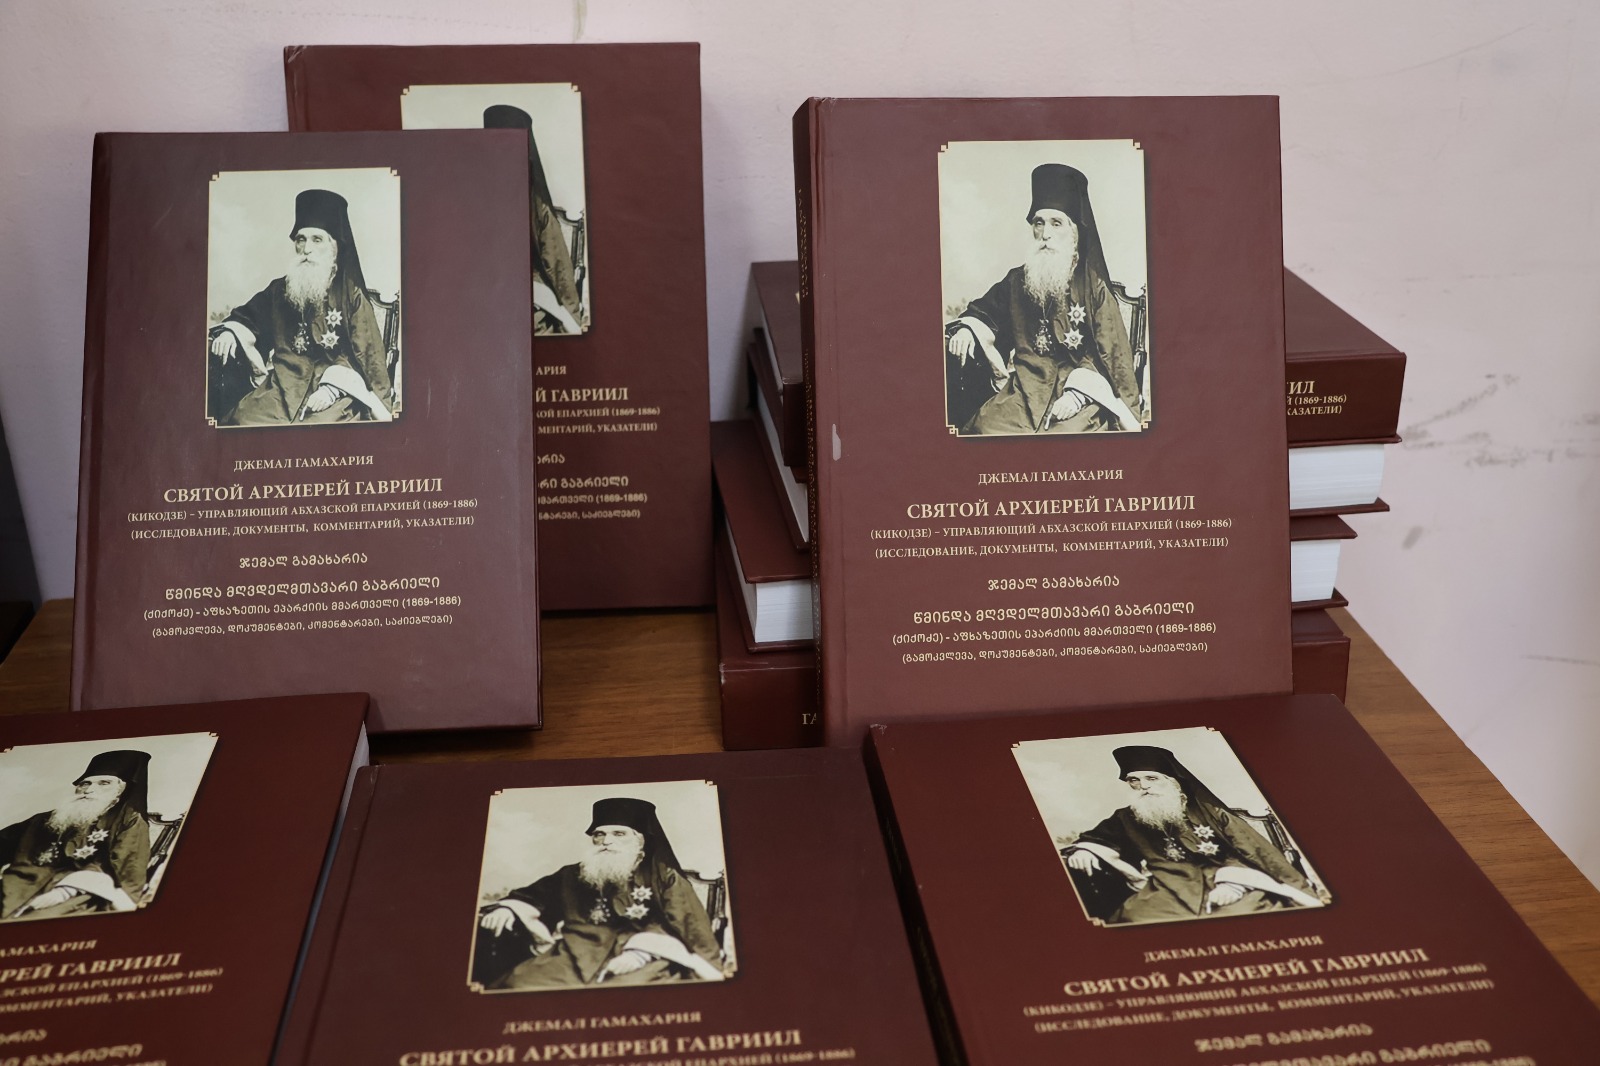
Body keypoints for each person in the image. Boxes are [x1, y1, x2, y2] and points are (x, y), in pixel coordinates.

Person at [946, 163, 1144, 435]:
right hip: (1024, 392)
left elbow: (1111, 355)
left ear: (1073, 232)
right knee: (985, 429)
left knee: (1065, 440)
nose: (1046, 233)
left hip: (1078, 395)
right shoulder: (1017, 281)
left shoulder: (1094, 288)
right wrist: (968, 329)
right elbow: (985, 312)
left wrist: (1078, 395)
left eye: (1056, 223)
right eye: (1039, 223)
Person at [475, 797, 726, 989]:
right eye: (599, 834)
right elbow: (533, 896)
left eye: (619, 834)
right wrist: (508, 908)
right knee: (520, 984)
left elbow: (687, 926)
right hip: (576, 953)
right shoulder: (573, 874)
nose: (606, 841)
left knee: (626, 996)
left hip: (642, 956)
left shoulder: (664, 877)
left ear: (640, 841)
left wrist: (640, 952)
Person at [1062, 745, 1325, 924]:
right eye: (1134, 780)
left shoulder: (1213, 813)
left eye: (1151, 779)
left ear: (1172, 781)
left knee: (1246, 917)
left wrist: (1233, 885)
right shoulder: (1127, 816)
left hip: (1229, 883)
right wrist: (1086, 849)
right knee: (1137, 919)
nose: (1143, 787)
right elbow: (1099, 838)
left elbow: (1252, 852)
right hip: (1167, 887)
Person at [208, 188, 395, 426]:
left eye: (317, 239)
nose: (306, 249)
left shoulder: (352, 296)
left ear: (335, 248)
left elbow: (365, 357)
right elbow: (249, 318)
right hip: (282, 388)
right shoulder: (279, 290)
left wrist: (332, 388)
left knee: (320, 432)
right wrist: (231, 332)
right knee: (243, 421)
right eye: (301, 239)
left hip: (335, 393)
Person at [0, 750, 151, 921]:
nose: (89, 790)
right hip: (19, 885)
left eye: (104, 783)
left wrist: (67, 890)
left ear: (120, 790)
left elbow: (126, 871)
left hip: (79, 892)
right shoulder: (46, 819)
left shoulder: (129, 821)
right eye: (85, 783)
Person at [482, 104, 587, 336]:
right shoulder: (475, 195)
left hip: (526, 295)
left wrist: (572, 312)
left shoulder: (535, 202)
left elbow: (556, 262)